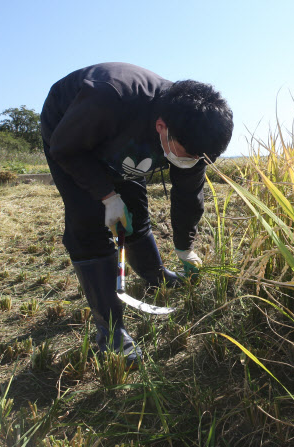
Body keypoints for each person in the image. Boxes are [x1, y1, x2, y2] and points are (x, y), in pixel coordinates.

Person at [41, 62, 234, 366]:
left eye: (199, 159)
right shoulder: (110, 98)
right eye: (188, 155)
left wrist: (185, 249)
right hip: (71, 134)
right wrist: (107, 196)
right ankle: (112, 334)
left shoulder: (194, 136)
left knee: (134, 214)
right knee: (88, 225)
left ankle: (154, 276)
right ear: (162, 127)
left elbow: (187, 197)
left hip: (126, 140)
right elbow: (65, 149)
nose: (192, 162)